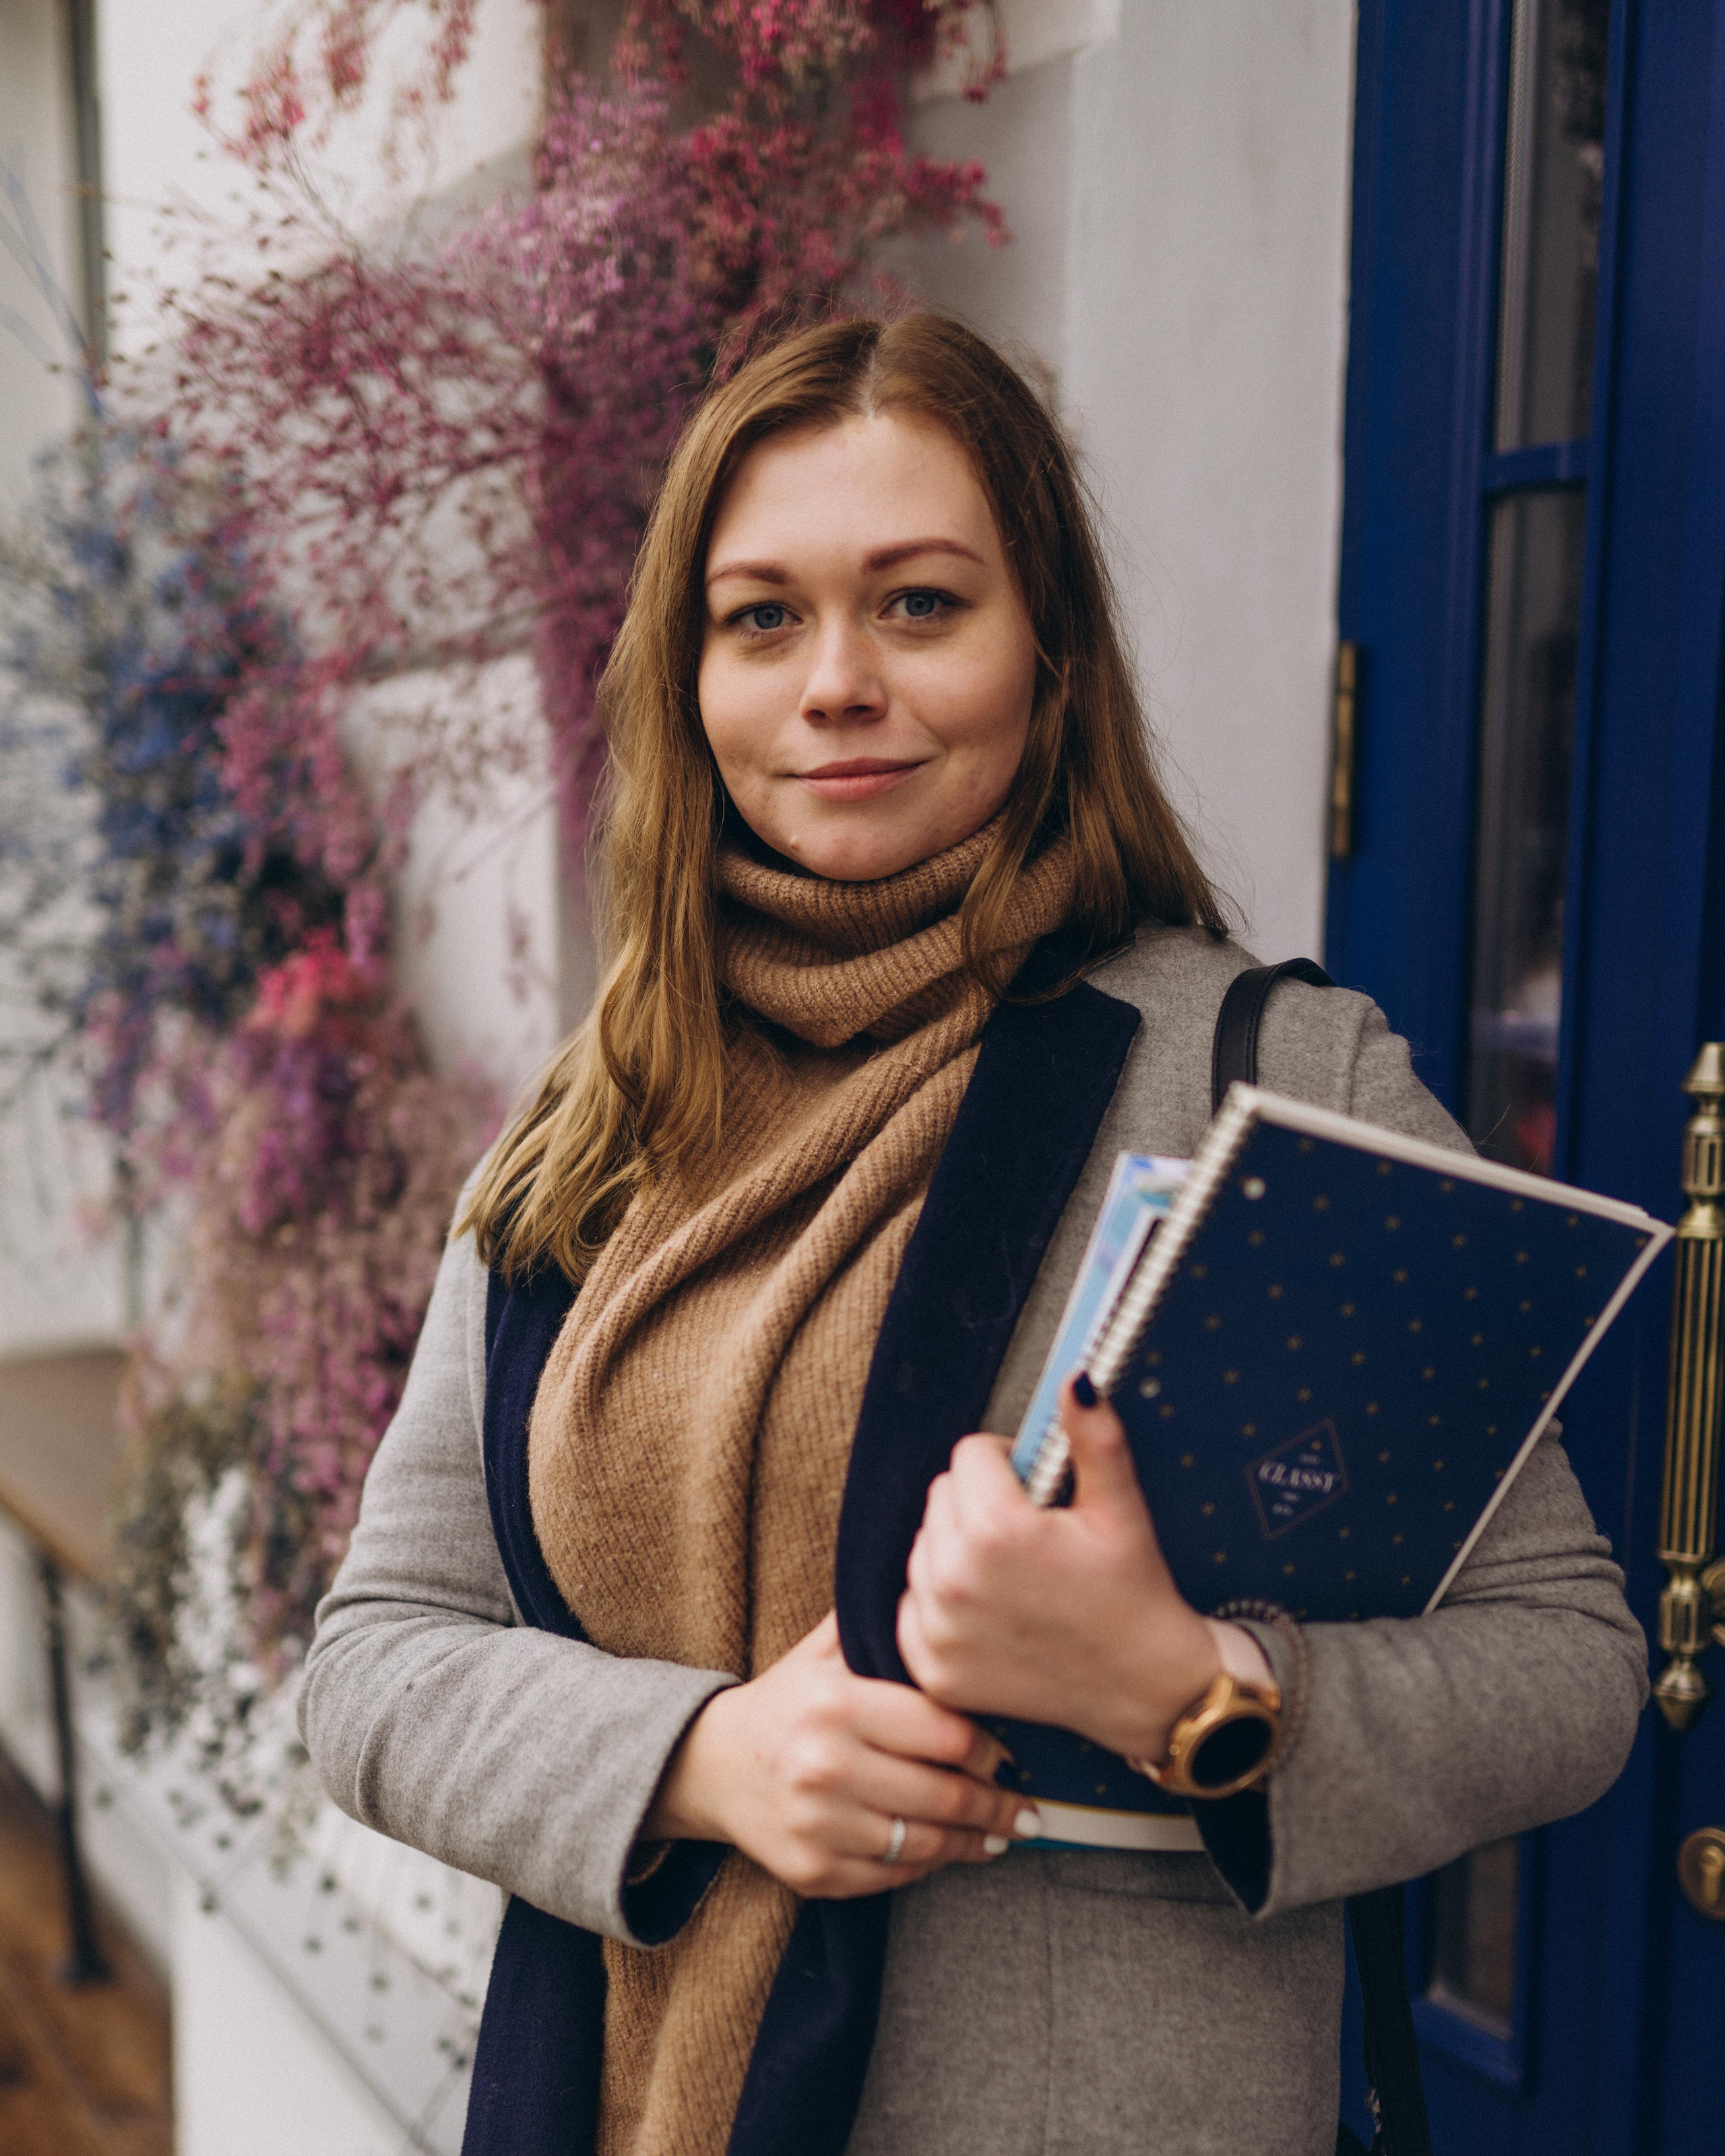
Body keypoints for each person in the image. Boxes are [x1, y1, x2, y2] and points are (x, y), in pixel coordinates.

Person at [299, 314, 1646, 2156]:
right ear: (686, 679)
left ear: (1053, 657)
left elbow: (1570, 1665)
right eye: (760, 616)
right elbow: (379, 1654)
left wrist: (1197, 1690)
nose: (835, 680)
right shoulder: (600, 1116)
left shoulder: (1269, 1076)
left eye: (920, 604)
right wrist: (702, 1761)